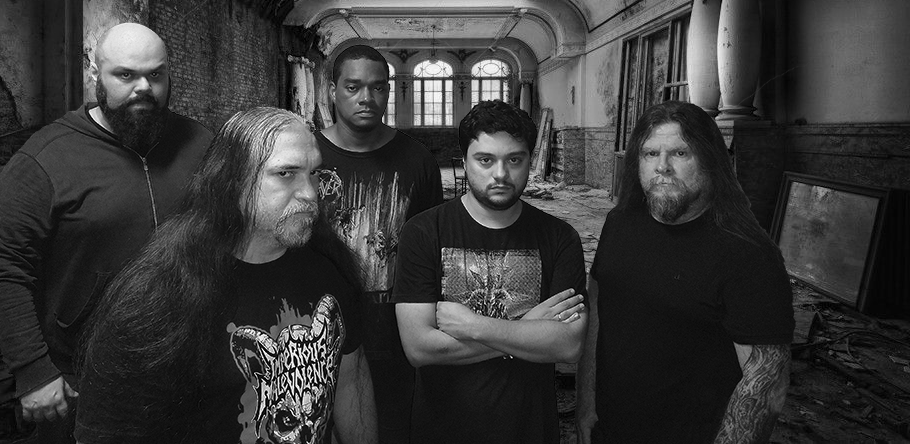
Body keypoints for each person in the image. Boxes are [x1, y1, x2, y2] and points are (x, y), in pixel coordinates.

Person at [74, 107, 377, 444]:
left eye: (314, 172)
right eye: (286, 173)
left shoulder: (328, 268)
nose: (309, 193)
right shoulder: (158, 297)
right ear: (232, 182)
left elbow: (349, 378)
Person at [0, 23, 213, 443]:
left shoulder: (200, 144)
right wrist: (33, 371)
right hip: (81, 374)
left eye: (155, 75)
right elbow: (4, 268)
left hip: (186, 362)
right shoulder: (46, 159)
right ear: (95, 74)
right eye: (125, 75)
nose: (144, 88)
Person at [578, 100, 794, 444]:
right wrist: (586, 406)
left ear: (710, 161)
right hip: (611, 428)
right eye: (650, 153)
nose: (662, 166)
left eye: (680, 153)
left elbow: (765, 383)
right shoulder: (619, 223)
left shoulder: (748, 253)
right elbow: (598, 313)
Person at [392, 100, 587, 444]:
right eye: (485, 160)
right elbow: (419, 347)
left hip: (528, 430)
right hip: (443, 429)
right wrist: (528, 329)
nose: (500, 174)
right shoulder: (423, 232)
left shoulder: (560, 238)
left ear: (529, 161)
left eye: (514, 160)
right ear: (464, 161)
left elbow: (569, 344)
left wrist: (475, 326)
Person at [314, 45, 443, 444]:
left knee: (393, 428)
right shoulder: (309, 157)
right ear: (332, 91)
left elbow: (433, 254)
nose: (366, 98)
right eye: (353, 87)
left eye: (377, 87)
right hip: (321, 328)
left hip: (396, 331)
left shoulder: (417, 160)